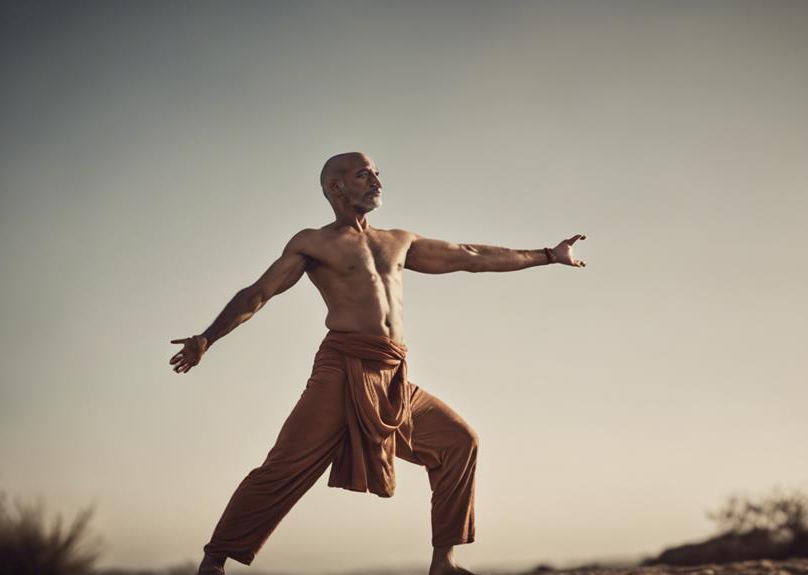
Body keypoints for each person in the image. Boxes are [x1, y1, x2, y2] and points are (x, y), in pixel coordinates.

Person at [169, 152, 586, 575]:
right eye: (363, 174)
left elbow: (470, 255)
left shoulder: (398, 240)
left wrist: (548, 255)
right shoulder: (314, 242)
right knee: (284, 467)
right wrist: (208, 337)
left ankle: (444, 562)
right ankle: (214, 561)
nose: (376, 180)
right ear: (336, 187)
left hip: (391, 374)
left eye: (377, 173)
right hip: (342, 368)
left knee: (459, 442)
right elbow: (258, 294)